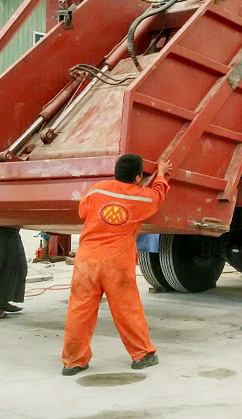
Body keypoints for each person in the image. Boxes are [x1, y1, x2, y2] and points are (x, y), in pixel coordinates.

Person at [61, 154, 172, 376]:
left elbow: (83, 213)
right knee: (127, 309)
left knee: (79, 310)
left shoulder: (97, 190)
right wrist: (161, 173)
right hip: (116, 263)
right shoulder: (141, 198)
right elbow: (158, 196)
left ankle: (73, 361)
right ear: (139, 177)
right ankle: (142, 355)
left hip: (87, 261)